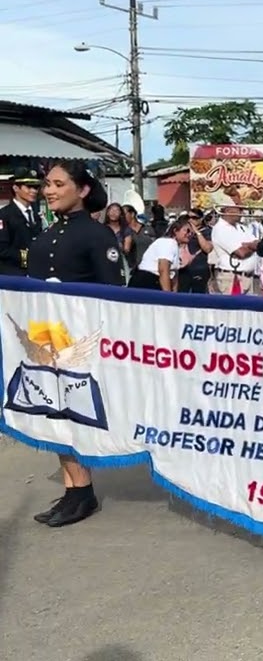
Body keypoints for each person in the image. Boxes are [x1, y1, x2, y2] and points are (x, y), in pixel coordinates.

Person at [26, 160, 124, 528]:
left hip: (78, 342)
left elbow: (111, 296)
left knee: (72, 414)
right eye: (46, 184)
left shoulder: (97, 236)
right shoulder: (48, 233)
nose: (48, 190)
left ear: (81, 190)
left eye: (57, 184)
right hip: (43, 337)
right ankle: (73, 491)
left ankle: (81, 492)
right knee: (53, 413)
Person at [209, 204, 263, 295]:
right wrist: (252, 246)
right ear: (228, 211)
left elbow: (259, 244)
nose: (242, 213)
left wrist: (249, 245)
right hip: (232, 277)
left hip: (248, 277)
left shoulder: (242, 227)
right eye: (239, 210)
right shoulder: (220, 229)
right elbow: (241, 253)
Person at [129, 217, 194, 291]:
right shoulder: (168, 242)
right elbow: (163, 269)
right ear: (175, 230)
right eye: (187, 231)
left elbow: (174, 274)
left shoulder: (176, 247)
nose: (190, 234)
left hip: (155, 282)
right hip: (147, 282)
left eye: (192, 233)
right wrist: (167, 296)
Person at [0, 168, 44, 276]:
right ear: (16, 188)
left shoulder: (36, 214)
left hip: (34, 273)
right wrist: (29, 257)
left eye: (36, 187)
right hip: (11, 274)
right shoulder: (4, 215)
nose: (34, 191)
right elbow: (2, 250)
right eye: (29, 187)